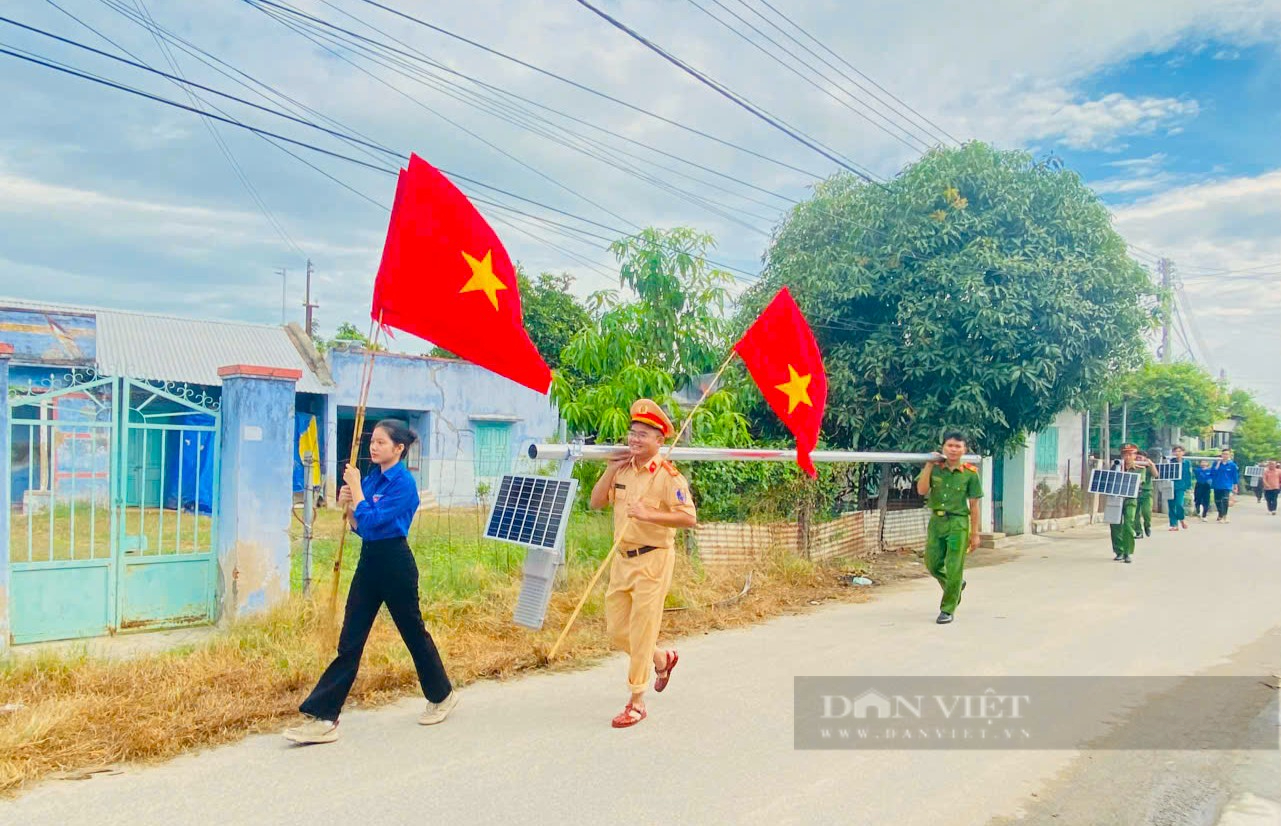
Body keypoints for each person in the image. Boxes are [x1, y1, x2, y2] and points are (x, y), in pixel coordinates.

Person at [284, 420, 457, 745]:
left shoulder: (404, 484)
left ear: (398, 448)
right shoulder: (374, 477)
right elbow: (363, 526)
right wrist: (349, 508)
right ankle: (324, 716)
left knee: (413, 634)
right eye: (372, 441)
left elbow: (377, 521)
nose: (373, 447)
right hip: (370, 563)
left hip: (395, 564)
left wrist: (359, 493)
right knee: (350, 641)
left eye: (381, 442)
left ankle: (442, 694)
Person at [589, 399, 696, 729]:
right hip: (622, 560)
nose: (634, 440)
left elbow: (688, 517)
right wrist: (608, 469)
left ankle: (637, 700)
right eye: (632, 433)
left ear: (659, 441)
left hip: (654, 560)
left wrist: (651, 514)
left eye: (643, 435)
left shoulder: (668, 477)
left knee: (642, 630)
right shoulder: (621, 469)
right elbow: (595, 503)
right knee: (617, 630)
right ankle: (662, 659)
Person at [916, 431, 983, 624]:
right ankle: (954, 586)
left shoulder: (970, 474)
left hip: (958, 523)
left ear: (964, 450)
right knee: (932, 563)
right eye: (950, 445)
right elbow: (921, 490)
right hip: (937, 522)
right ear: (943, 447)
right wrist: (928, 465)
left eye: (958, 446)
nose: (953, 450)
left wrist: (975, 533)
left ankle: (947, 608)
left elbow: (974, 505)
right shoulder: (935, 469)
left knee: (954, 565)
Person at [1108, 445, 1141, 563]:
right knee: (1115, 524)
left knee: (1128, 524)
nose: (1128, 457)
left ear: (1135, 455)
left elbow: (1140, 482)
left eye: (1130, 454)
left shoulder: (1138, 468)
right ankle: (1119, 551)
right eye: (1125, 454)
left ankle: (1128, 552)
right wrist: (1118, 469)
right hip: (1116, 498)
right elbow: (1108, 481)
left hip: (1130, 499)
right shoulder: (1116, 466)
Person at [1132, 448, 1158, 540]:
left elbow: (1155, 475)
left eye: (1141, 457)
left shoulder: (1147, 467)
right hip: (1133, 492)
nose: (1138, 458)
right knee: (1135, 514)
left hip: (1146, 492)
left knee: (1146, 512)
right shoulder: (1132, 466)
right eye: (1137, 456)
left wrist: (1151, 464)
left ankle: (1147, 525)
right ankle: (1138, 531)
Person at [1166, 445, 1192, 531]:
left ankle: (1181, 519)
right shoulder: (1170, 462)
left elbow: (1188, 475)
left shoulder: (1187, 463)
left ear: (1183, 453)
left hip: (1181, 486)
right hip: (1170, 485)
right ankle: (1173, 524)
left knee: (1179, 504)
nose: (1178, 453)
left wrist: (1189, 486)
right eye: (1176, 451)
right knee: (1171, 505)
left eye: (1179, 451)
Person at [1210, 448, 1240, 523]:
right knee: (1217, 500)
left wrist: (1235, 485)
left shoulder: (1232, 465)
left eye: (1227, 454)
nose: (1225, 456)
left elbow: (1235, 476)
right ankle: (1220, 513)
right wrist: (1217, 465)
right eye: (1224, 454)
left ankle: (1225, 516)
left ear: (1229, 455)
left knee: (1225, 499)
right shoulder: (1216, 463)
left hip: (1227, 485)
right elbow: (1212, 473)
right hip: (1217, 484)